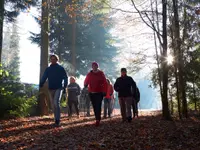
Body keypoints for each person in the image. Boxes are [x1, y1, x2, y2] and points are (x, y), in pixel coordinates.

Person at [39, 54, 68, 127]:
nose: (53, 60)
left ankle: (58, 120)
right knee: (53, 105)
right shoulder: (48, 69)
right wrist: (41, 83)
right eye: (51, 59)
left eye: (54, 59)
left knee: (56, 102)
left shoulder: (60, 68)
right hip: (50, 88)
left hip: (58, 87)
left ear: (57, 60)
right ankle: (55, 119)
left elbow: (65, 77)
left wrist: (65, 86)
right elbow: (44, 76)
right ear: (50, 60)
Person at [84, 62, 107, 126]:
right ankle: (97, 118)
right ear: (92, 67)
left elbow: (105, 83)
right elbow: (86, 80)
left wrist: (105, 91)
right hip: (91, 92)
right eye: (93, 66)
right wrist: (85, 84)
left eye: (95, 66)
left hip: (99, 92)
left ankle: (98, 119)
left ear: (97, 66)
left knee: (98, 105)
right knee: (94, 106)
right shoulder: (89, 74)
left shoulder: (101, 73)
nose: (94, 67)